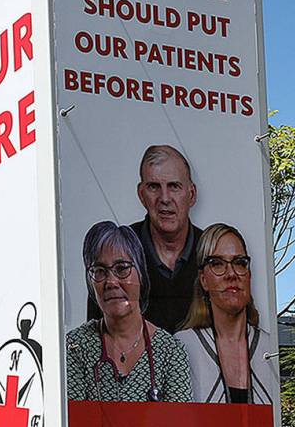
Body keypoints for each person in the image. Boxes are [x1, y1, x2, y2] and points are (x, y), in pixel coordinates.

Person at [68, 221, 193, 402]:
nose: (111, 282)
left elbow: (179, 420)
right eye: (100, 271)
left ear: (141, 273)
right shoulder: (75, 347)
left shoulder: (171, 352)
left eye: (122, 268)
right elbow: (72, 418)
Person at [87, 145, 202, 333]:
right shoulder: (115, 252)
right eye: (154, 187)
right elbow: (96, 335)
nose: (164, 198)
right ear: (141, 194)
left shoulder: (214, 253)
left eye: (174, 186)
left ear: (192, 194)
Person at [175, 224, 278, 404]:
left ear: (249, 275)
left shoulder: (270, 347)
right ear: (203, 280)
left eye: (239, 263)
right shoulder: (182, 347)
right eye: (217, 263)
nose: (231, 274)